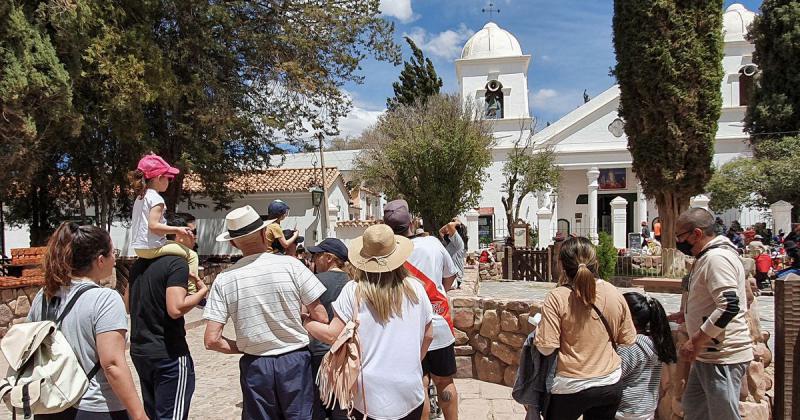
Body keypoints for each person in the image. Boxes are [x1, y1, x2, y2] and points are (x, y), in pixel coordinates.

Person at [203, 205, 329, 420]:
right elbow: (322, 317)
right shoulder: (292, 265)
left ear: (233, 243)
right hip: (294, 360)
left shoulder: (225, 279)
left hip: (255, 364)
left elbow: (211, 340)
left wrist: (245, 346)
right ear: (265, 234)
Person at [304, 224, 434, 420]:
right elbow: (429, 335)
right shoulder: (416, 289)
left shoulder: (353, 290)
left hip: (368, 396)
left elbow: (332, 335)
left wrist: (306, 322)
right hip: (409, 390)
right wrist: (411, 362)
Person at [28, 222, 147, 420]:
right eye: (113, 252)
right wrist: (139, 415)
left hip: (51, 403)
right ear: (100, 260)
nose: (115, 258)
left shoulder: (44, 295)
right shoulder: (105, 299)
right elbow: (112, 364)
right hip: (95, 406)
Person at [533, 236, 637, 420]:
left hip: (570, 385)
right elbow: (628, 340)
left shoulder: (557, 297)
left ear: (562, 265)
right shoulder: (614, 292)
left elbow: (546, 348)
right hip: (610, 381)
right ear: (595, 262)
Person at [669, 208, 753, 420]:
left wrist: (696, 340)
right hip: (708, 355)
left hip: (722, 355)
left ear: (697, 234)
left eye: (680, 236)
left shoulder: (716, 258)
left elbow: (729, 306)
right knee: (694, 406)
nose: (679, 242)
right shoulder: (707, 256)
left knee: (723, 415)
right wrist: (687, 313)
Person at [384, 199, 459, 420]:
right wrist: (435, 297)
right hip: (438, 324)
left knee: (421, 383)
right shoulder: (433, 244)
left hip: (407, 329)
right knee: (445, 381)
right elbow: (450, 276)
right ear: (411, 223)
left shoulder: (388, 252)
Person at [128, 213, 209, 420]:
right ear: (178, 233)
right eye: (193, 231)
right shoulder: (177, 263)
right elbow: (175, 308)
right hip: (169, 352)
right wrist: (201, 292)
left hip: (141, 350)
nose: (195, 238)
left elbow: (127, 304)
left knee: (153, 411)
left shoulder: (139, 264)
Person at [128, 154, 199, 293]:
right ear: (159, 178)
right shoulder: (156, 199)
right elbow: (153, 226)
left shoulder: (141, 197)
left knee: (173, 246)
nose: (170, 181)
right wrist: (177, 230)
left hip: (140, 247)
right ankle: (191, 290)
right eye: (168, 178)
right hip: (153, 247)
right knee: (192, 255)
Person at [306, 238, 352, 420]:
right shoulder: (352, 282)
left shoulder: (313, 281)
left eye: (316, 255)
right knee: (343, 406)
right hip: (346, 351)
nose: (313, 260)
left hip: (318, 351)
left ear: (329, 258)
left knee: (318, 407)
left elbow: (303, 312)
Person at [616, 292, 678, 420]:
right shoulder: (655, 342)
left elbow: (615, 375)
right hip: (646, 409)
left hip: (625, 411)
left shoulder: (630, 347)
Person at [440, 218, 467, 289]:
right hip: (449, 277)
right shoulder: (450, 243)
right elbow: (441, 231)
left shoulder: (458, 242)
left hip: (454, 279)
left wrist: (458, 222)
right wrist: (453, 222)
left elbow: (450, 225)